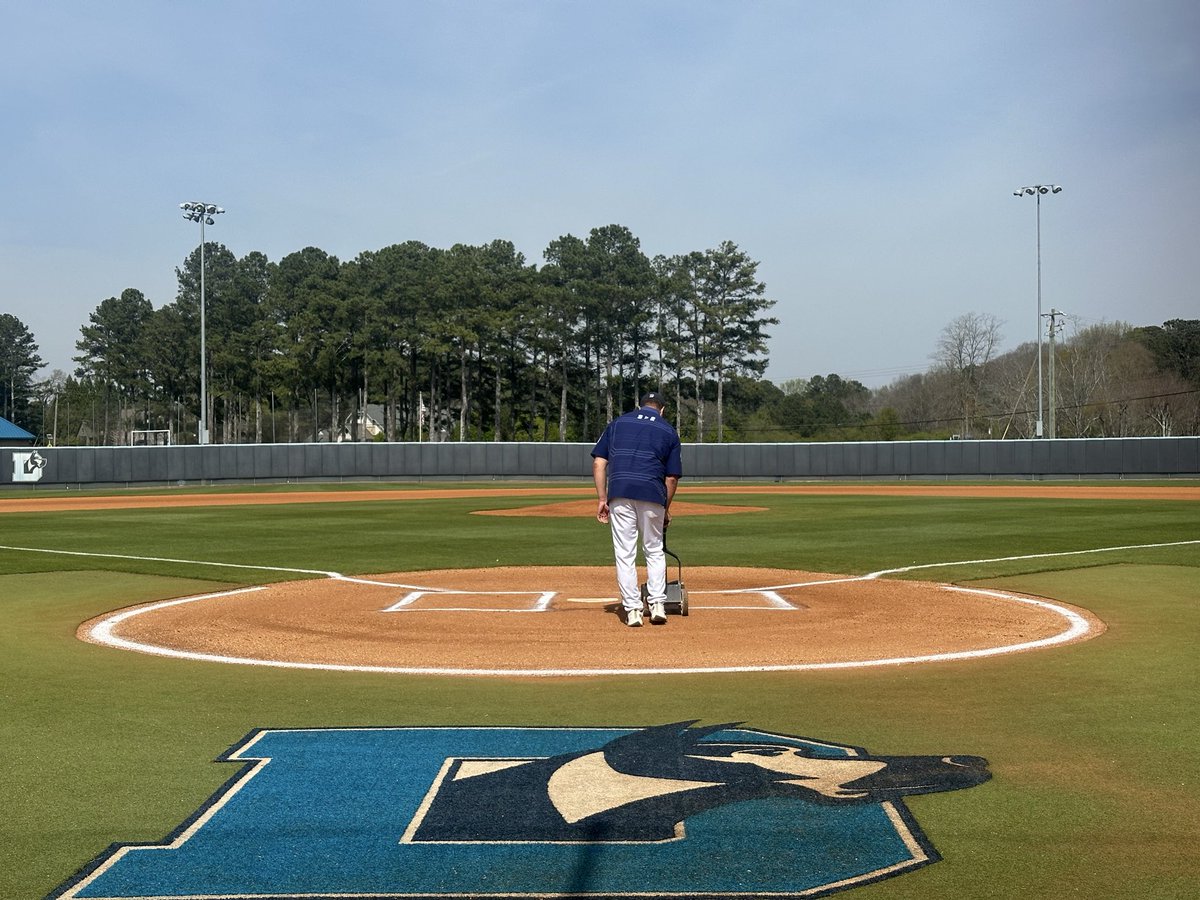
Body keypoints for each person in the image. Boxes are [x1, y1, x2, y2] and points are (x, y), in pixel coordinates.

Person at [591, 391, 682, 627]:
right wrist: (666, 508)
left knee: (625, 553)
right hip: (652, 493)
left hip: (619, 492)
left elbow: (599, 463)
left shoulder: (617, 424)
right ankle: (658, 605)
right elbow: (671, 478)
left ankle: (632, 610)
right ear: (662, 409)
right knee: (653, 550)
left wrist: (602, 498)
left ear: (639, 406)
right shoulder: (668, 430)